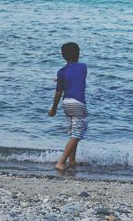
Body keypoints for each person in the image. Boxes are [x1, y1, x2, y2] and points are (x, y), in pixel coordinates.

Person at [48, 42, 88, 171]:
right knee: (78, 133)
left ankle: (72, 161)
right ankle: (61, 162)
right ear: (78, 54)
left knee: (73, 131)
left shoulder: (61, 72)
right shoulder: (83, 67)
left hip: (66, 103)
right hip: (77, 102)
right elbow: (76, 77)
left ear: (63, 56)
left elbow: (58, 92)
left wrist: (53, 109)